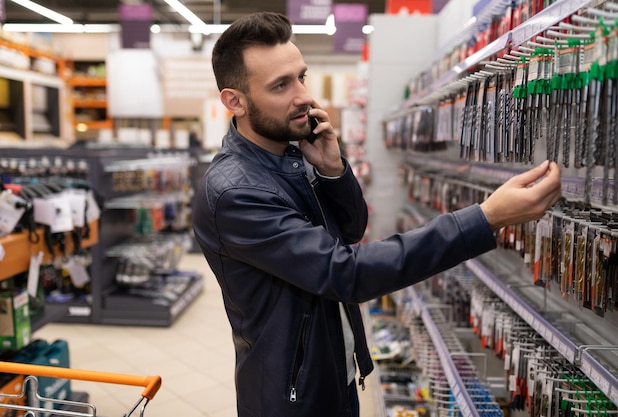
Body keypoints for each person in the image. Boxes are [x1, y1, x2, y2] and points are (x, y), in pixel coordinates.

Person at [192, 12, 562, 417]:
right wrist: (484, 218)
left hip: (330, 371)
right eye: (281, 85)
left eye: (301, 77)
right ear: (235, 101)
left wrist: (334, 170)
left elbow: (350, 230)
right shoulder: (235, 192)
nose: (302, 96)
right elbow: (346, 272)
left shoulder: (289, 154)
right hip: (290, 396)